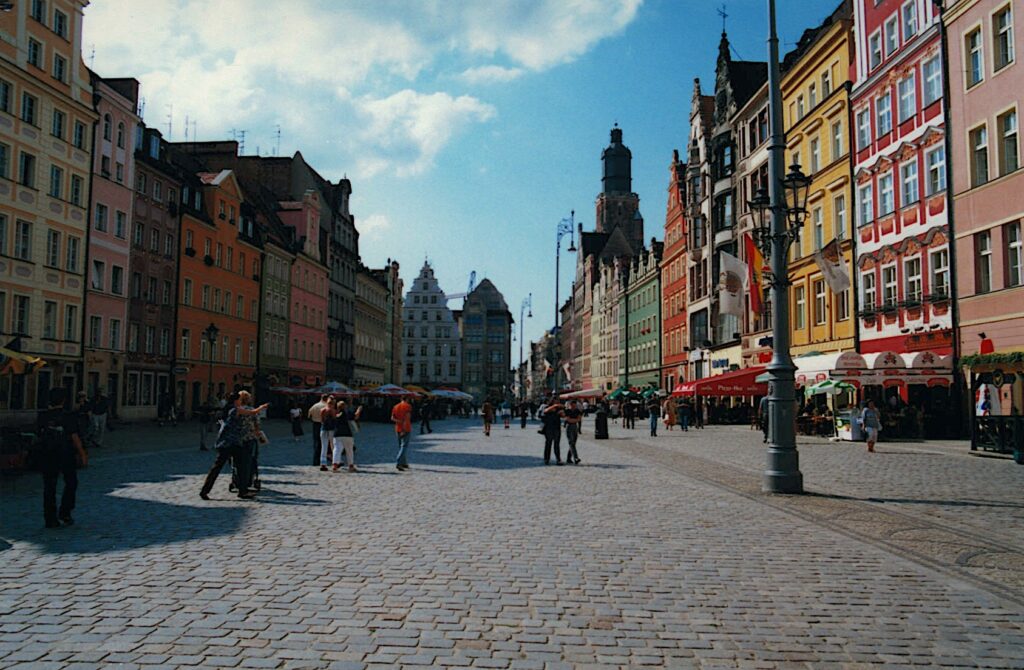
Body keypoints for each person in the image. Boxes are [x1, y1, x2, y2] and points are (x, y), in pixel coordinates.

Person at [199, 392, 268, 500]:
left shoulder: (230, 409)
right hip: (232, 443)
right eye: (240, 399)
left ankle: (205, 490)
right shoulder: (236, 409)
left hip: (230, 442)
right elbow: (252, 412)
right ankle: (242, 491)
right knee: (241, 467)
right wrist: (261, 407)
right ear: (237, 400)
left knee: (220, 467)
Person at [37, 387, 87, 528]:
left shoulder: (43, 416)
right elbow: (74, 436)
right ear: (64, 400)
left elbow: (38, 435)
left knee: (49, 487)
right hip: (66, 454)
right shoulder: (68, 416)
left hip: (47, 454)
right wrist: (82, 453)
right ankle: (65, 512)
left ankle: (50, 518)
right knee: (71, 483)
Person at [332, 400, 358, 472]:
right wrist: (359, 410)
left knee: (337, 449)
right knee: (349, 450)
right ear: (345, 406)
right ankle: (351, 466)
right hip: (347, 434)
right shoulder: (347, 413)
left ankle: (335, 465)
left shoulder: (334, 413)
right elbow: (355, 417)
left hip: (337, 433)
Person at [391, 397, 413, 471]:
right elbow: (407, 418)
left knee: (401, 446)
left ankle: (404, 463)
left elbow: (392, 418)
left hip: (397, 428)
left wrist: (399, 421)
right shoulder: (407, 406)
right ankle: (399, 462)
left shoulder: (395, 406)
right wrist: (404, 428)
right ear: (407, 399)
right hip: (405, 428)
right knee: (404, 446)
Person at [308, 394, 328, 466]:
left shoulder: (315, 405)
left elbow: (309, 415)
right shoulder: (326, 406)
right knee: (324, 443)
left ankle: (315, 460)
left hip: (315, 424)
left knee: (316, 442)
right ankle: (323, 459)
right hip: (324, 424)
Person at [319, 396, 338, 471]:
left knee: (324, 447)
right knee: (334, 446)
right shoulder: (334, 410)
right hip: (332, 430)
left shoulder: (322, 410)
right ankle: (335, 462)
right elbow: (335, 420)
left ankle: (323, 463)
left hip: (323, 429)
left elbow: (321, 421)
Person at [563, 400, 583, 465]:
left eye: (575, 406)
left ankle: (568, 458)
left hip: (575, 427)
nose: (574, 407)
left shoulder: (577, 411)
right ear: (570, 405)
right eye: (572, 406)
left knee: (573, 443)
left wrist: (574, 420)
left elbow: (579, 419)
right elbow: (567, 419)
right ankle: (576, 458)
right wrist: (575, 420)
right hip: (569, 427)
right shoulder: (567, 411)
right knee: (571, 442)